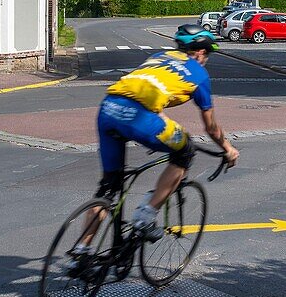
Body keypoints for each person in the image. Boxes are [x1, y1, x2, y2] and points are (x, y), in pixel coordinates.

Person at [91, 23, 240, 242]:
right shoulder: (199, 74)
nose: (205, 58)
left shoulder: (159, 57)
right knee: (185, 151)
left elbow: (147, 87)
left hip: (108, 109)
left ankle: (80, 253)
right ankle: (145, 216)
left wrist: (161, 118)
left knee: (108, 189)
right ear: (200, 51)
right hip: (138, 118)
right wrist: (227, 148)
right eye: (206, 53)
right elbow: (211, 127)